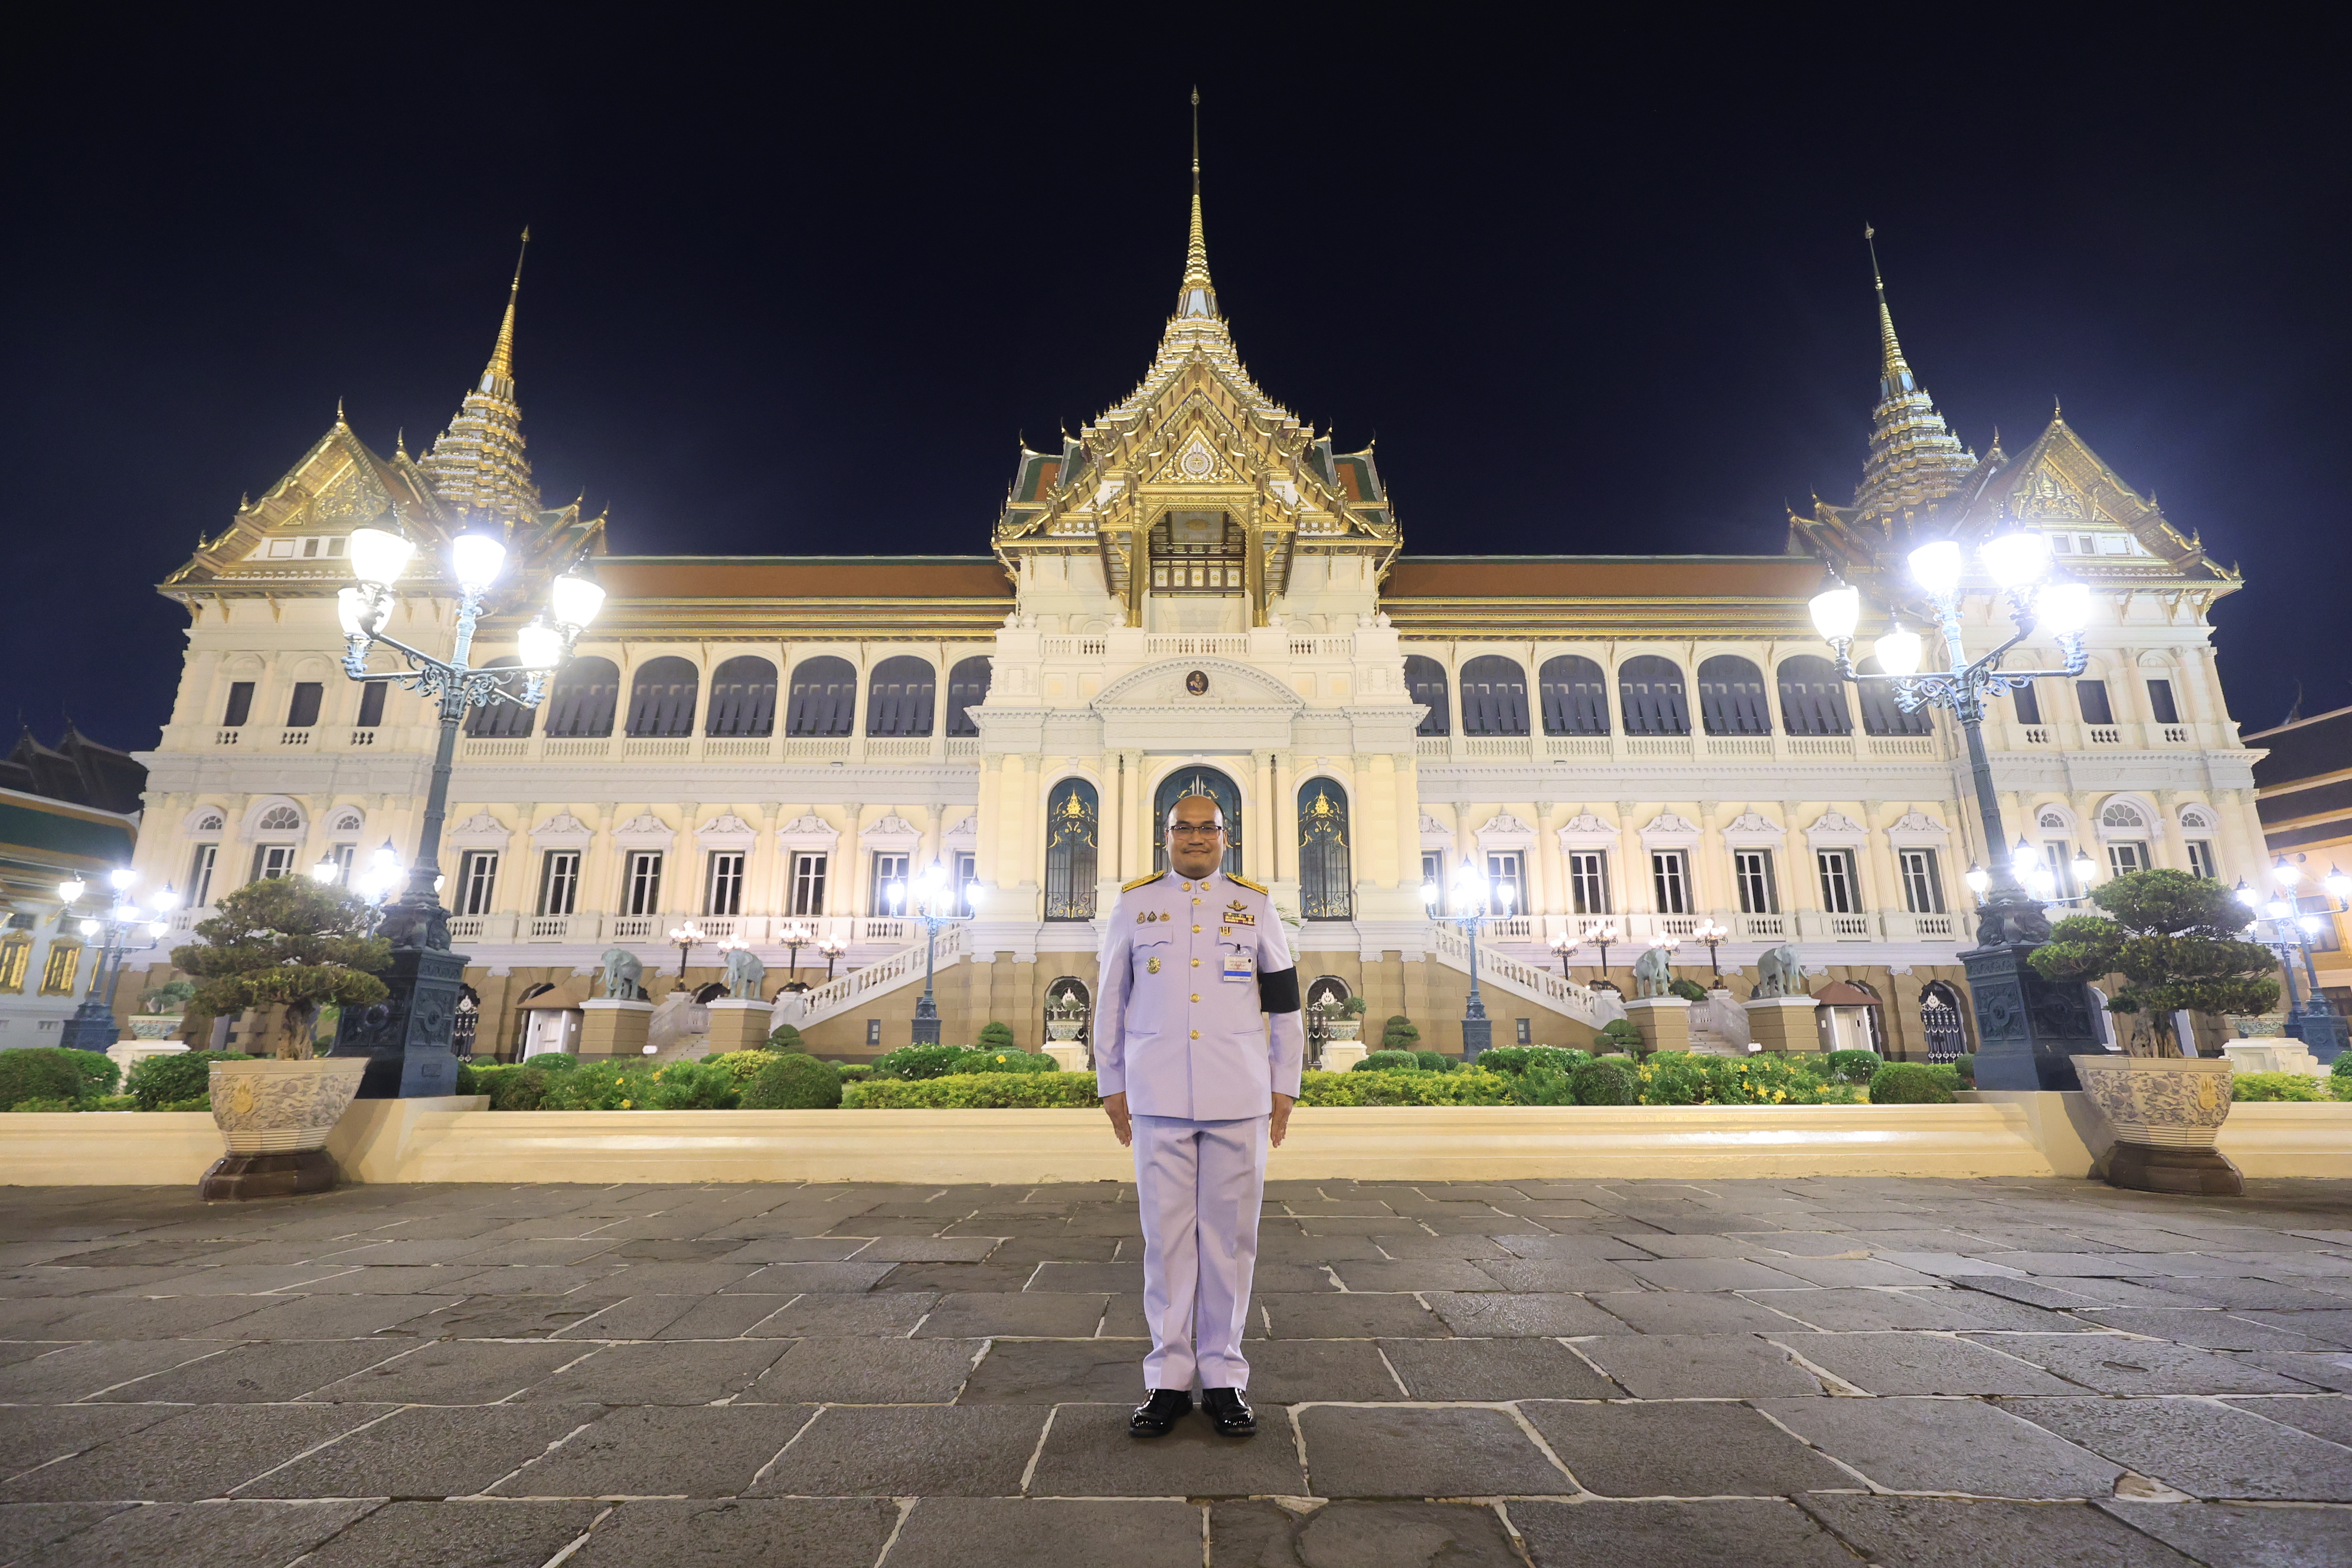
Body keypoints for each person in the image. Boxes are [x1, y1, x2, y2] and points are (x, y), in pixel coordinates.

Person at [1095, 792, 1304, 1438]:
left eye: (1205, 828)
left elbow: (1286, 1004)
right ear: (1166, 837)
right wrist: (1112, 1082)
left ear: (1225, 837)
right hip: (1157, 1094)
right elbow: (1111, 999)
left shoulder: (1257, 905)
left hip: (1238, 1096)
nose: (1194, 838)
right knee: (1166, 1243)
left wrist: (1285, 1086)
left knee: (1230, 1245)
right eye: (1182, 828)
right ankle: (1166, 1378)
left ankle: (1223, 1378)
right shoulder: (1134, 904)